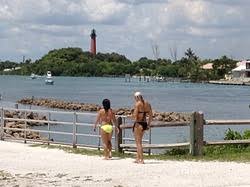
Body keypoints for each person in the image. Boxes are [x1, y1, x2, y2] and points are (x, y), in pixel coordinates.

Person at [132, 91, 153, 164]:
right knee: (139, 141)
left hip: (138, 124)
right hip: (144, 124)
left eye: (135, 98)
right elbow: (151, 115)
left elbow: (135, 116)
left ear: (136, 97)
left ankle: (141, 159)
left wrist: (130, 116)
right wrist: (149, 125)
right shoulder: (148, 103)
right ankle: (138, 158)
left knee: (138, 143)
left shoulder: (137, 104)